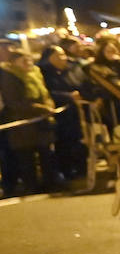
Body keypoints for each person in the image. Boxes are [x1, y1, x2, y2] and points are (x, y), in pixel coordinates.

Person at [0, 47, 58, 195]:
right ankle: (31, 186)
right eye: (23, 60)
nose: (28, 63)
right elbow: (14, 102)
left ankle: (50, 182)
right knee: (26, 157)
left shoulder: (35, 74)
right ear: (13, 62)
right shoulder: (9, 77)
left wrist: (48, 104)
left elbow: (44, 93)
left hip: (40, 121)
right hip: (22, 123)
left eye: (29, 59)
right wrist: (41, 108)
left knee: (46, 153)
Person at [38, 45, 88, 182]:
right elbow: (47, 93)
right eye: (59, 55)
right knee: (63, 144)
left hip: (73, 112)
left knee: (77, 141)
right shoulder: (44, 73)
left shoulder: (69, 70)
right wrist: (68, 96)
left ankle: (80, 170)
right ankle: (67, 171)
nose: (64, 58)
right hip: (59, 115)